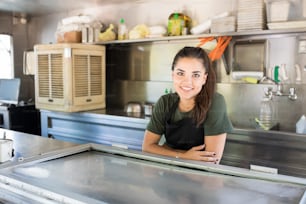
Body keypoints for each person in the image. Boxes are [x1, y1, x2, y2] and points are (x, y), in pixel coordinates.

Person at [142, 46, 233, 164]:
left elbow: (211, 161)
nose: (187, 82)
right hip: (169, 172)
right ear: (173, 75)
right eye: (180, 73)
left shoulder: (215, 102)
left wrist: (165, 150)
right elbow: (147, 147)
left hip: (203, 177)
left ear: (204, 78)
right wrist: (183, 155)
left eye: (195, 75)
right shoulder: (165, 102)